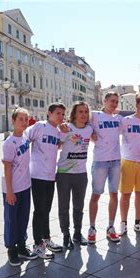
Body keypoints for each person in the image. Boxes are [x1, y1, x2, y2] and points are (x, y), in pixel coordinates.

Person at [27, 102, 67, 258]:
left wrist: (63, 133)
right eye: (58, 113)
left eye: (63, 114)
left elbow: (58, 147)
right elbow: (25, 138)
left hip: (51, 176)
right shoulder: (39, 126)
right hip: (37, 175)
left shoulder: (58, 131)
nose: (61, 116)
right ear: (49, 113)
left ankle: (46, 239)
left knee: (47, 210)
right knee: (39, 211)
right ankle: (38, 244)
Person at [1, 107, 37, 266]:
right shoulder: (9, 143)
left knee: (23, 218)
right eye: (20, 119)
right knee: (11, 220)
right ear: (13, 121)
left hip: (25, 186)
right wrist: (9, 191)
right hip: (12, 188)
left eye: (26, 119)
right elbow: (7, 168)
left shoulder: (25, 137)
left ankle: (22, 246)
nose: (24, 122)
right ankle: (12, 249)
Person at [56, 102, 92, 249]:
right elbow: (57, 146)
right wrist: (63, 133)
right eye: (80, 112)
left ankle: (77, 233)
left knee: (79, 206)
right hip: (64, 174)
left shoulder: (90, 129)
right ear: (74, 114)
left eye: (85, 112)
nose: (83, 115)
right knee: (64, 207)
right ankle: (66, 235)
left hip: (81, 174)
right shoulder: (67, 128)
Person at [88, 92, 123, 243]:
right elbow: (81, 123)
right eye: (112, 101)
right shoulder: (94, 115)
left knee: (114, 194)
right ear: (105, 101)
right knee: (96, 194)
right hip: (100, 161)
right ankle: (92, 228)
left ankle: (110, 227)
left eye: (117, 101)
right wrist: (91, 133)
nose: (114, 104)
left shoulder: (119, 119)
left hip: (115, 160)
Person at [119, 93, 140, 236]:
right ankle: (123, 223)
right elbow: (111, 135)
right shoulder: (126, 121)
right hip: (128, 161)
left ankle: (138, 223)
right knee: (125, 194)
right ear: (137, 104)